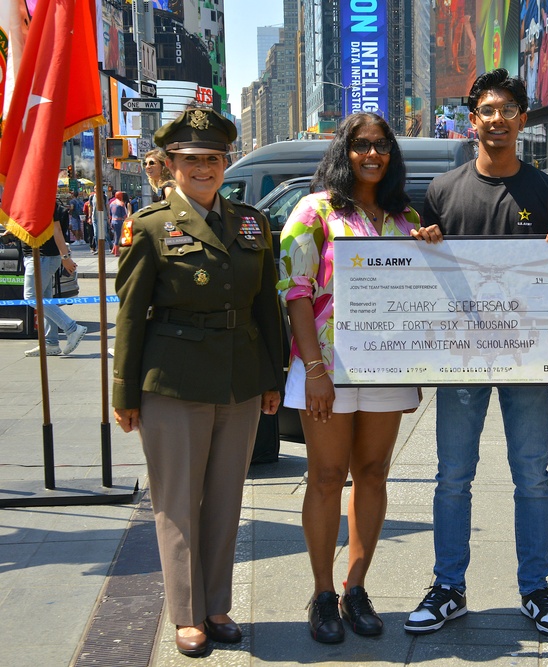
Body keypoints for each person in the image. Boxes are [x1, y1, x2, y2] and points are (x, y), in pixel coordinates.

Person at [403, 68, 548, 639]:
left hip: (527, 357)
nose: (498, 119)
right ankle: (447, 585)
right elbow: (425, 281)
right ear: (472, 120)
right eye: (488, 111)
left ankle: (536, 587)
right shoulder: (441, 192)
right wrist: (422, 245)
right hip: (461, 357)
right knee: (453, 475)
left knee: (533, 476)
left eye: (508, 110)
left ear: (522, 119)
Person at [112, 107, 283, 658]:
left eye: (212, 158)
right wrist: (124, 392)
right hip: (173, 384)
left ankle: (216, 605)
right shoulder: (152, 226)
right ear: (169, 166)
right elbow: (132, 315)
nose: (203, 168)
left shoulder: (252, 224)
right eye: (190, 160)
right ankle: (186, 614)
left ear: (225, 162)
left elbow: (267, 307)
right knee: (178, 501)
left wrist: (273, 377)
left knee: (226, 499)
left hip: (239, 382)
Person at [277, 112, 442, 644]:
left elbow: (427, 288)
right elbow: (296, 293)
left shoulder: (405, 216)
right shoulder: (314, 211)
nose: (372, 154)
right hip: (326, 368)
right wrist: (316, 370)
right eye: (361, 145)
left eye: (382, 146)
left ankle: (356, 588)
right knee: (326, 478)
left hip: (387, 365)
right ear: (343, 152)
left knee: (372, 473)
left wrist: (433, 247)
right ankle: (323, 595)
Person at [20, 203, 87, 357]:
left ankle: (72, 328)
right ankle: (51, 342)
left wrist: (65, 257)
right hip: (39, 256)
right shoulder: (36, 197)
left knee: (32, 297)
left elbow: (56, 229)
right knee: (45, 299)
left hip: (42, 256)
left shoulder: (44, 199)